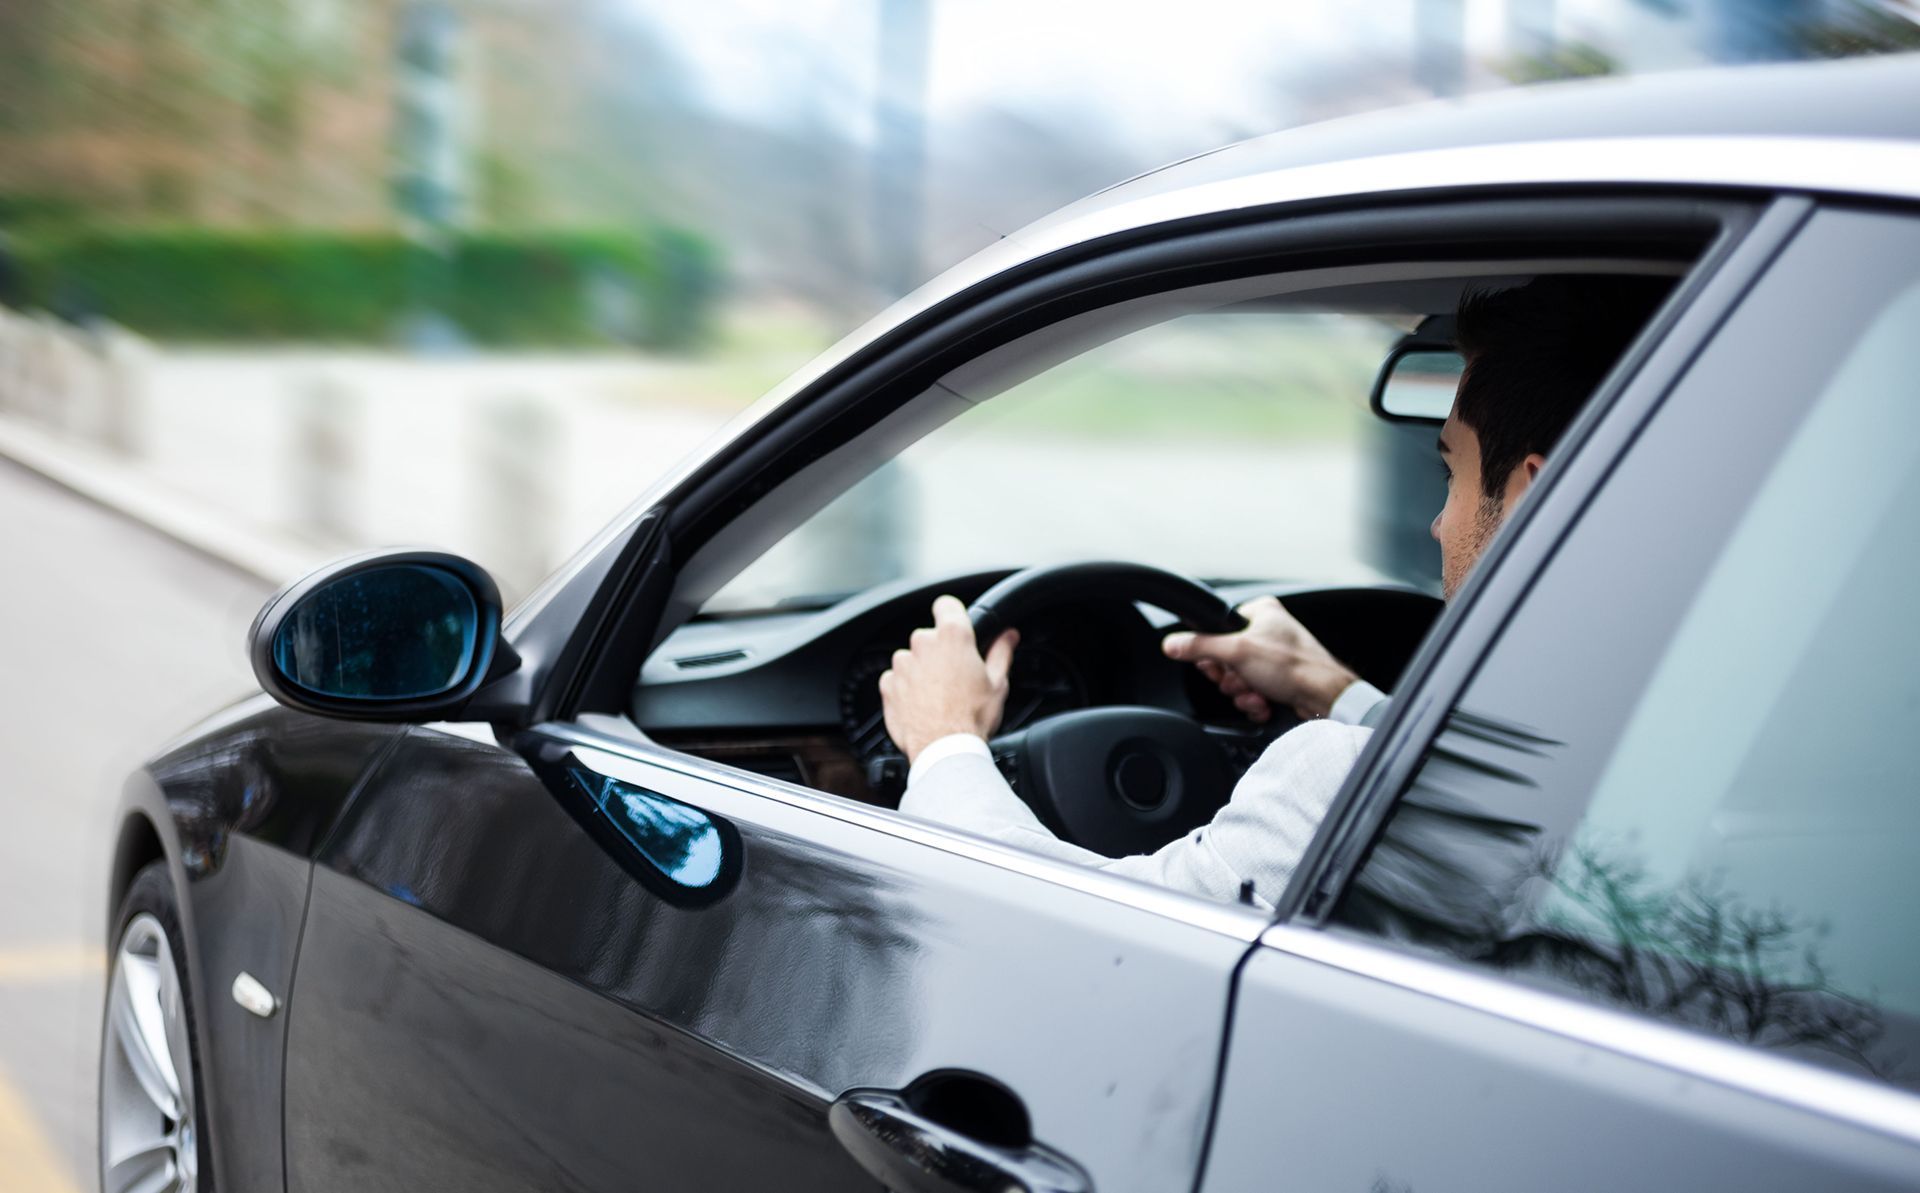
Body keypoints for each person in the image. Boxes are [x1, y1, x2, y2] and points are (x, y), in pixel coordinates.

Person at [877, 276, 1666, 908]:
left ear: (1539, 499)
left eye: (1450, 471)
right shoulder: (1675, 745)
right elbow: (1469, 783)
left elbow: (1070, 935)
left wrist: (944, 741)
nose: (1435, 525)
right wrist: (1331, 687)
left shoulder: (1333, 783)